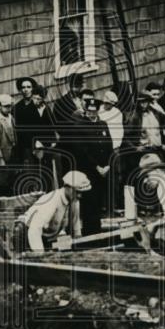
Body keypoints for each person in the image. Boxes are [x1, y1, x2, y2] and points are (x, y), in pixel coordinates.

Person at [14, 170, 89, 252]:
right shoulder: (53, 201)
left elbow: (76, 228)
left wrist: (79, 249)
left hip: (47, 236)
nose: (79, 196)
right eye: (77, 192)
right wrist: (40, 255)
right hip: (27, 234)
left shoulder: (74, 201)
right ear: (67, 187)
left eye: (81, 193)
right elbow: (34, 230)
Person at [71, 97, 113, 232]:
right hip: (89, 171)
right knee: (89, 201)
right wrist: (96, 167)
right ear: (85, 111)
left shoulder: (103, 124)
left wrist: (107, 165)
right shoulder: (80, 126)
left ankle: (97, 228)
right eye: (89, 112)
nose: (91, 114)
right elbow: (82, 151)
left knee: (100, 199)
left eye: (94, 112)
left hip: (104, 169)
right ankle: (90, 230)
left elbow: (109, 146)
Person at [12, 77, 40, 164]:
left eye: (28, 87)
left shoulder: (38, 105)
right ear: (20, 90)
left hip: (38, 143)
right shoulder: (17, 107)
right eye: (23, 87)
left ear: (32, 89)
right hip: (24, 146)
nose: (26, 90)